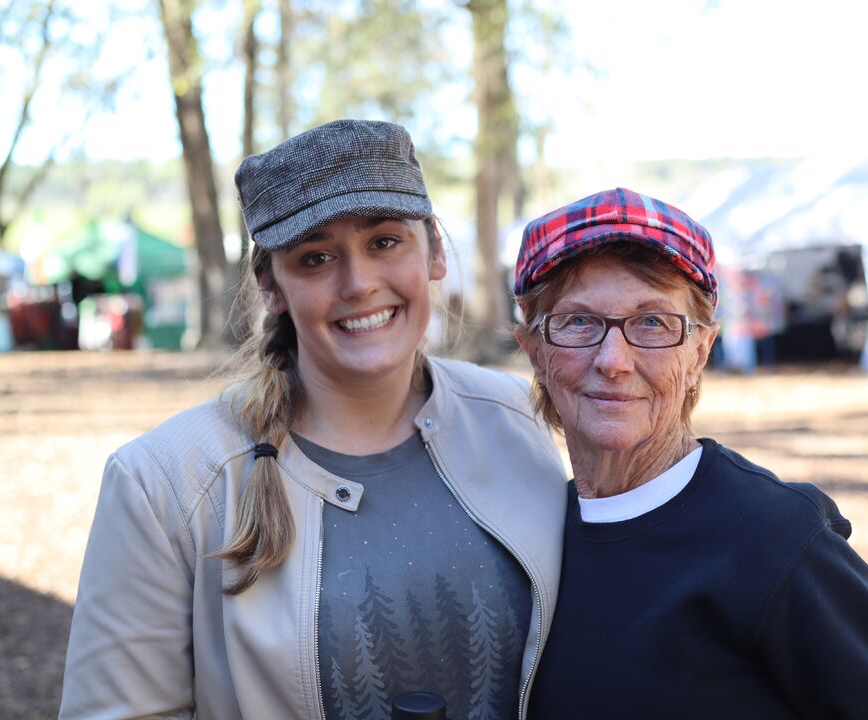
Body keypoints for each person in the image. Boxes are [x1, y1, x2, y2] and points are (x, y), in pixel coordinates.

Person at [60, 119, 567, 720]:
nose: (359, 284)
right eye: (316, 257)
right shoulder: (166, 483)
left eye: (384, 242)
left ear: (433, 249)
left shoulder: (515, 418)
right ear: (271, 285)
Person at [512, 187, 868, 719]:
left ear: (700, 353)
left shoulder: (774, 540)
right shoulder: (525, 536)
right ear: (535, 351)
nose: (613, 359)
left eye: (652, 323)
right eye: (578, 322)